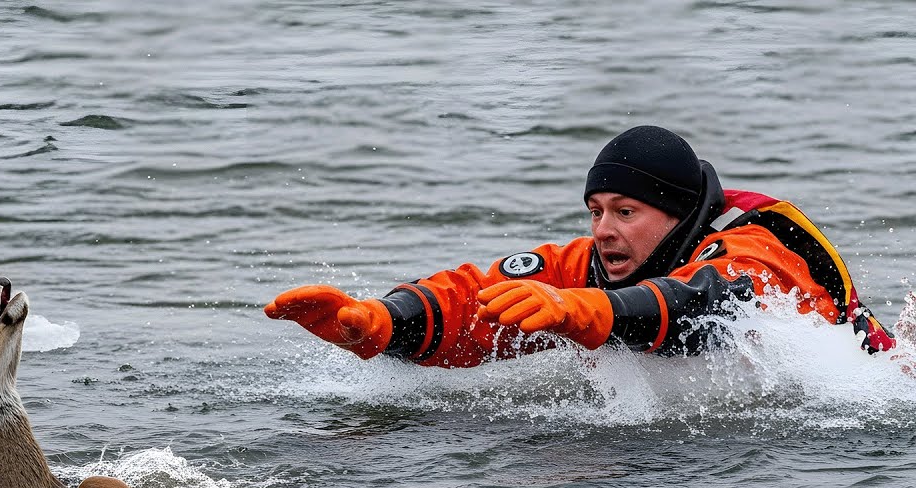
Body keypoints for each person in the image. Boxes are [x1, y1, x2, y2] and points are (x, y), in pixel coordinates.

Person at [266, 125, 895, 366]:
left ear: (677, 217)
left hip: (863, 396)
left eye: (626, 211)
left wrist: (590, 313)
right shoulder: (597, 259)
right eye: (596, 211)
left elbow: (710, 305)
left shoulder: (756, 249)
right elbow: (477, 295)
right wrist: (378, 322)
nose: (603, 230)